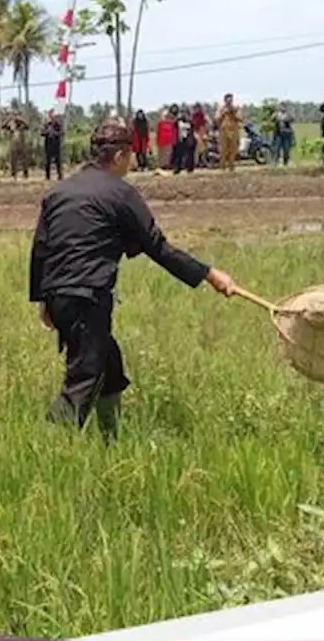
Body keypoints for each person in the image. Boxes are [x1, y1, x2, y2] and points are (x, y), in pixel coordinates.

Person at [28, 121, 236, 440]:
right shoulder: (120, 193)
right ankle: (46, 449)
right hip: (88, 295)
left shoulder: (60, 191)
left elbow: (41, 247)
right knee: (83, 377)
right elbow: (158, 248)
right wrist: (209, 274)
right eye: (132, 155)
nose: (133, 161)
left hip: (60, 295)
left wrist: (43, 299)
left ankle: (111, 437)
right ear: (120, 155)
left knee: (108, 364)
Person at [216, 94, 242, 172]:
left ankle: (231, 166)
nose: (229, 101)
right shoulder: (220, 108)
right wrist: (223, 113)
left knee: (233, 150)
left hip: (234, 131)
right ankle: (222, 167)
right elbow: (217, 118)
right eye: (228, 99)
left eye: (231, 99)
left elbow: (240, 118)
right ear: (225, 100)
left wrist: (233, 113)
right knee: (223, 150)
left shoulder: (236, 108)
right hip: (224, 131)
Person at [7, 115, 31, 180]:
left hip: (22, 145)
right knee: (13, 161)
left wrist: (22, 119)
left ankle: (26, 174)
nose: (16, 118)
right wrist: (9, 119)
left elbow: (28, 126)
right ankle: (13, 175)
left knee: (24, 160)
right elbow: (3, 126)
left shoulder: (22, 125)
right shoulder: (11, 125)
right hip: (13, 145)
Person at [43, 110, 64, 180]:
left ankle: (60, 175)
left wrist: (54, 133)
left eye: (53, 115)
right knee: (47, 161)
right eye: (50, 115)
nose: (52, 117)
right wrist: (47, 132)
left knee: (58, 161)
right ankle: (47, 176)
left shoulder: (58, 124)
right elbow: (42, 133)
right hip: (48, 145)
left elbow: (61, 132)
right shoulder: (46, 124)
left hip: (56, 145)